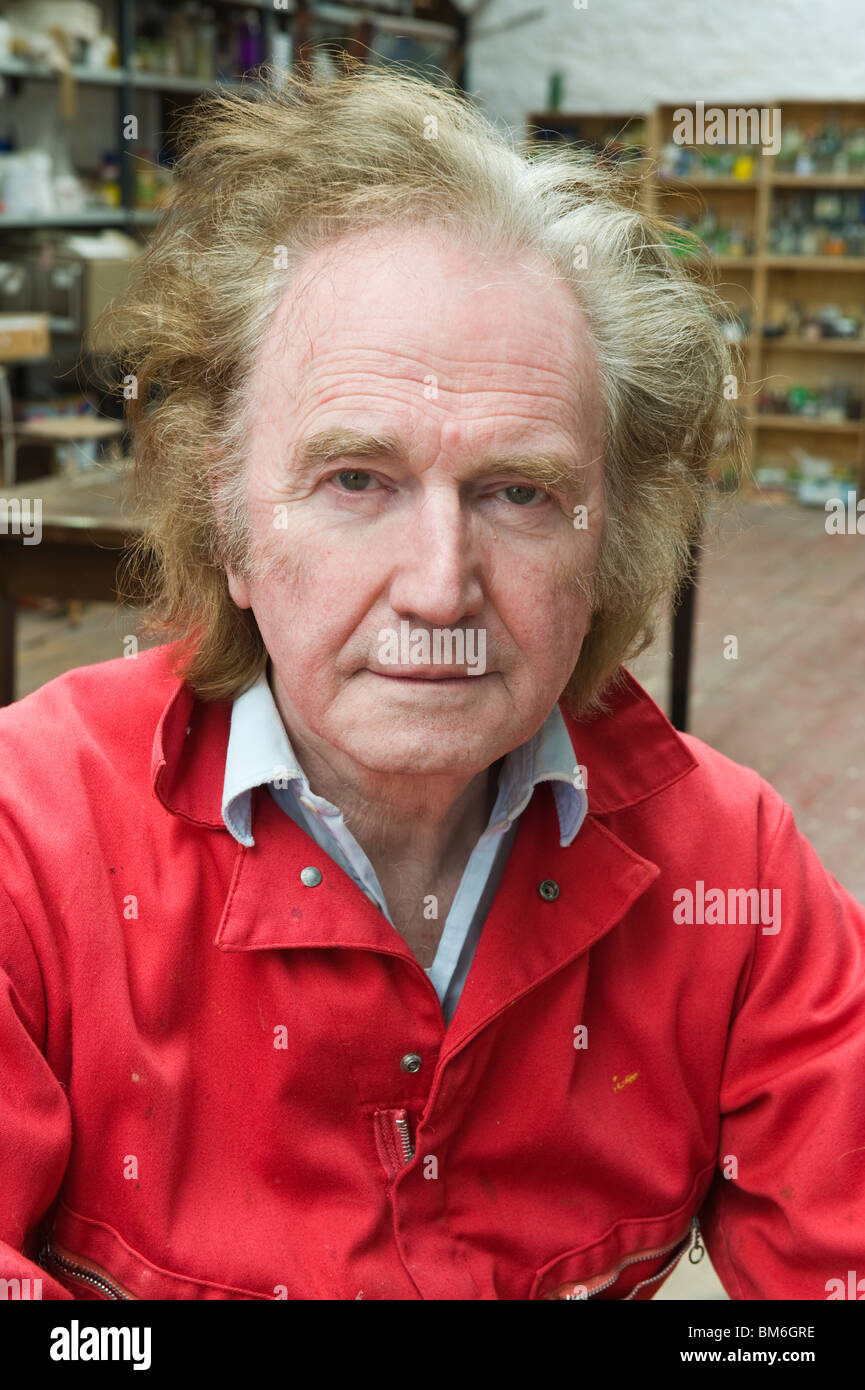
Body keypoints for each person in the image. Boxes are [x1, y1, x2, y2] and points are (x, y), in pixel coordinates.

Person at [1, 64, 862, 1302]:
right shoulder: (29, 847)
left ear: (611, 544)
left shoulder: (736, 878)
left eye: (519, 491)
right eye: (357, 479)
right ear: (230, 525)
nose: (439, 587)